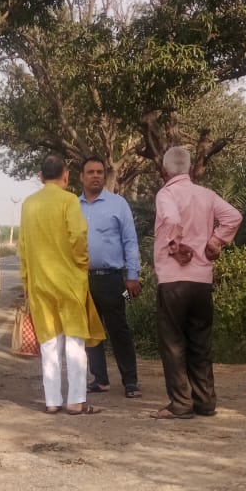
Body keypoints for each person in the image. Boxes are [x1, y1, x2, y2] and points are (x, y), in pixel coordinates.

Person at [152, 146, 242, 419]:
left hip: (173, 279)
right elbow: (234, 217)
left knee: (173, 343)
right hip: (201, 280)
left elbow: (171, 219)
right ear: (190, 169)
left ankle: (181, 403)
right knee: (200, 341)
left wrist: (175, 246)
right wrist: (215, 242)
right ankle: (205, 401)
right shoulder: (207, 195)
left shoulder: (166, 194)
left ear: (164, 171)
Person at [19, 154, 105, 416]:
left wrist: (26, 280)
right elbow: (78, 235)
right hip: (69, 282)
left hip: (40, 283)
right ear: (66, 176)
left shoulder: (29, 204)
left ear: (41, 177)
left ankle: (52, 401)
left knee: (49, 342)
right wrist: (82, 263)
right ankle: (76, 401)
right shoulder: (69, 201)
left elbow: (23, 246)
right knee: (75, 342)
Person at [78, 156, 142, 398]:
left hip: (113, 280)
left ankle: (130, 381)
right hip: (83, 280)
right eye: (90, 172)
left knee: (119, 329)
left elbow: (130, 241)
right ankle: (100, 379)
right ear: (81, 177)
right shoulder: (73, 206)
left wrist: (132, 276)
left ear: (104, 176)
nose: (95, 176)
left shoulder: (118, 204)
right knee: (90, 330)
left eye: (99, 172)